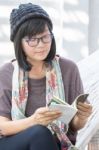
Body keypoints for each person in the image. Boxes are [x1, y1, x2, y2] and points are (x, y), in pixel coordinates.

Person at [0, 3, 92, 150]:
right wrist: (34, 121)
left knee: (44, 137)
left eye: (45, 37)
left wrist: (82, 117)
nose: (41, 45)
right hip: (13, 143)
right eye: (32, 39)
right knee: (40, 132)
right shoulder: (6, 72)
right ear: (19, 42)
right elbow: (2, 127)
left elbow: (74, 126)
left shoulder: (68, 69)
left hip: (55, 143)